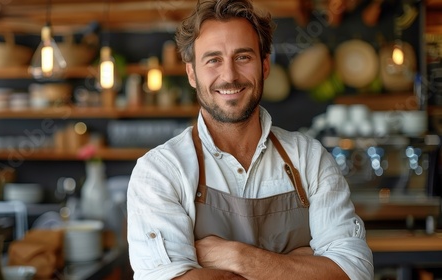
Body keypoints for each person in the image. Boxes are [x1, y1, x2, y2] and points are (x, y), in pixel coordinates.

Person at [127, 0, 374, 279]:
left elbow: (353, 271)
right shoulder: (161, 171)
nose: (229, 76)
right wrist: (299, 263)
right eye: (213, 60)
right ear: (191, 73)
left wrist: (238, 257)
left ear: (264, 65)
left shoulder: (309, 159)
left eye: (243, 57)